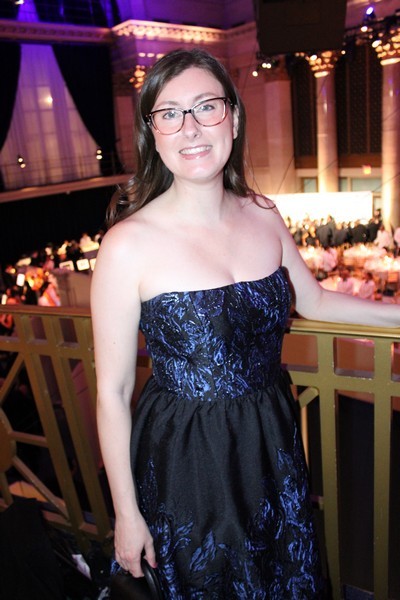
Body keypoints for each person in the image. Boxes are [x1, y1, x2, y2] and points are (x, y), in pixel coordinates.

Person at [90, 48, 400, 599]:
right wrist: (126, 513)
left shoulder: (263, 212)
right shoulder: (126, 244)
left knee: (282, 572)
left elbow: (316, 302)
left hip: (271, 436)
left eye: (206, 106)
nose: (190, 128)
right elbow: (112, 393)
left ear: (232, 118)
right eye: (170, 113)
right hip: (188, 456)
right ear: (153, 134)